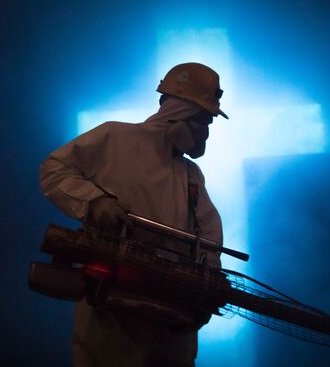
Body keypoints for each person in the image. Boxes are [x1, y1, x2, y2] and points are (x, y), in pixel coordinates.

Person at [39, 62, 228, 367]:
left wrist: (206, 286)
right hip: (113, 314)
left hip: (170, 324)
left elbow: (208, 239)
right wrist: (94, 202)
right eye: (202, 121)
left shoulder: (191, 175)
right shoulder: (115, 138)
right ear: (179, 114)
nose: (205, 132)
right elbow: (53, 169)